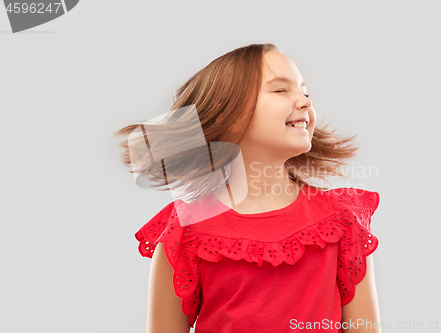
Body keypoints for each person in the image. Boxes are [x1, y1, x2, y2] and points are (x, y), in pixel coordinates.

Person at [115, 43, 382, 332]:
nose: (305, 102)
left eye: (305, 92)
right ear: (225, 115)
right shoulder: (183, 232)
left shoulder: (342, 220)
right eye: (281, 90)